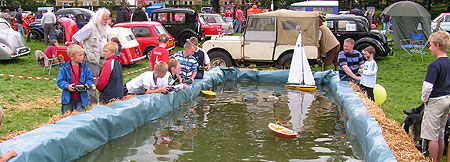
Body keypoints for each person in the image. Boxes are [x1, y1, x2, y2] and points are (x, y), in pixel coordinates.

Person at [420, 31, 450, 162]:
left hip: (436, 101)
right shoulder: (449, 62)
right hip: (447, 99)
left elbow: (427, 87)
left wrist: (424, 99)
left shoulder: (434, 65)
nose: (430, 48)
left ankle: (433, 161)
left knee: (432, 135)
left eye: (431, 45)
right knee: (440, 134)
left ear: (437, 45)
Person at [72, 8, 111, 106]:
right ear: (98, 18)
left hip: (104, 60)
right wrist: (81, 52)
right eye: (105, 19)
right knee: (92, 85)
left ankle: (103, 104)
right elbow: (75, 38)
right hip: (92, 61)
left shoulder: (105, 28)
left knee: (104, 84)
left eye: (108, 19)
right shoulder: (90, 27)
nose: (107, 22)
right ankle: (92, 106)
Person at [57, 44, 94, 114]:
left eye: (83, 55)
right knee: (66, 118)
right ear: (72, 57)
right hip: (68, 98)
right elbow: (60, 81)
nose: (82, 57)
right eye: (80, 55)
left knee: (80, 118)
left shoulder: (85, 68)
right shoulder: (64, 68)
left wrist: (87, 85)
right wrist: (67, 86)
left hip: (81, 98)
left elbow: (90, 79)